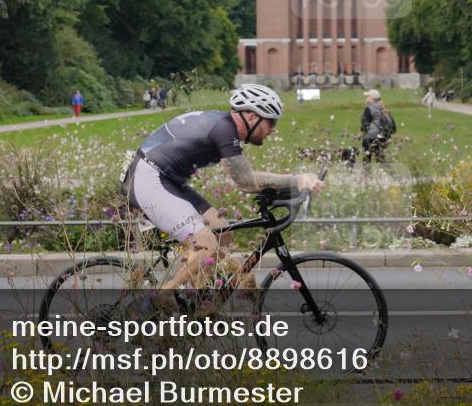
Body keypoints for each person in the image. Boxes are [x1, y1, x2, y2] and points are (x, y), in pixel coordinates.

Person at [121, 83, 323, 291]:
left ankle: (195, 297)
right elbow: (246, 181)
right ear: (252, 117)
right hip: (148, 178)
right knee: (207, 245)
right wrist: (297, 180)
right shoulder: (224, 130)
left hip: (167, 179)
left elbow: (247, 179)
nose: (273, 129)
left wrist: (290, 187)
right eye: (271, 121)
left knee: (222, 231)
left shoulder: (224, 127)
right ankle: (164, 295)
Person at [360, 89, 396, 164]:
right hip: (384, 136)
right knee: (379, 158)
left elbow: (365, 124)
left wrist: (360, 135)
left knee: (366, 158)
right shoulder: (384, 108)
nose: (366, 98)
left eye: (368, 96)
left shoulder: (369, 109)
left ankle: (366, 171)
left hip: (371, 137)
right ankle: (389, 170)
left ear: (372, 99)